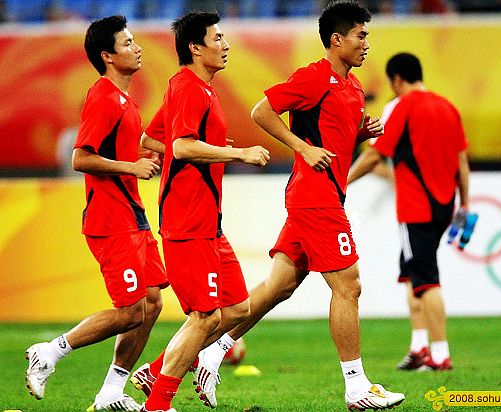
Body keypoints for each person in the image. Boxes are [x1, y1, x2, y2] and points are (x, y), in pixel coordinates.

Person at [134, 1, 404, 410]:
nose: (367, 43)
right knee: (349, 286)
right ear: (337, 39)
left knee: (274, 289)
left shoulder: (350, 87)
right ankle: (357, 387)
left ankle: (191, 359)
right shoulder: (313, 77)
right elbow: (263, 110)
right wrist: (297, 147)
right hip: (314, 200)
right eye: (361, 35)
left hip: (319, 196)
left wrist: (360, 133)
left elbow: (333, 142)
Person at [25, 15, 168, 411]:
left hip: (132, 214)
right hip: (110, 218)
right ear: (107, 56)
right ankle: (50, 351)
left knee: (152, 303)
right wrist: (131, 167)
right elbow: (81, 158)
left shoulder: (125, 100)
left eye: (135, 40)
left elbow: (120, 151)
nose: (137, 47)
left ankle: (110, 393)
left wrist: (146, 156)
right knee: (130, 312)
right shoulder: (103, 96)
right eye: (127, 43)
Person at [133, 11, 270, 412]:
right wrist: (235, 152)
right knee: (206, 317)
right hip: (188, 221)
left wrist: (210, 150)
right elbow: (181, 147)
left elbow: (150, 138)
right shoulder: (190, 89)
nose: (225, 45)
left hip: (209, 221)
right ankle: (157, 404)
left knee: (237, 308)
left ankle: (156, 370)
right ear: (196, 47)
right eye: (218, 38)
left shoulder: (193, 88)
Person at [347, 52, 470, 371]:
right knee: (412, 274)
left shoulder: (402, 107)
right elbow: (461, 162)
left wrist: (342, 182)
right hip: (445, 205)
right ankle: (419, 347)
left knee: (426, 280)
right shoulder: (447, 107)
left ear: (396, 79)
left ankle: (440, 354)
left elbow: (375, 156)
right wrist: (465, 204)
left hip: (417, 208)